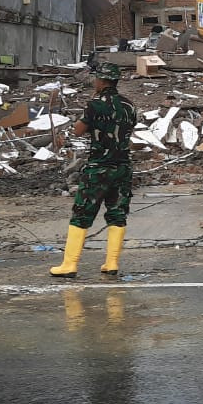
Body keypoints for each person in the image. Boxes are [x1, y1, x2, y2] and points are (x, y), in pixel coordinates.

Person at [49, 61, 137, 279]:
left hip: (99, 168)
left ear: (102, 81)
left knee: (81, 213)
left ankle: (69, 264)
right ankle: (112, 262)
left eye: (96, 79)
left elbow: (79, 131)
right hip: (123, 166)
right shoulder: (129, 106)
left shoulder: (95, 104)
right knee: (117, 213)